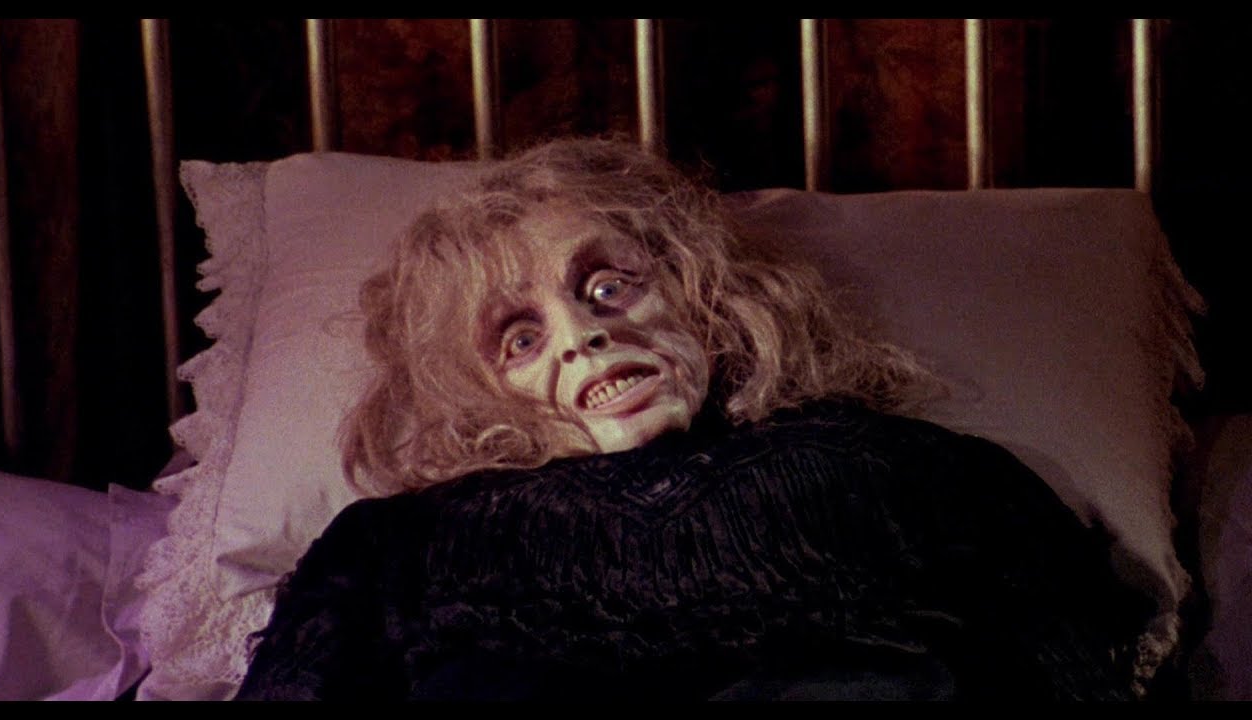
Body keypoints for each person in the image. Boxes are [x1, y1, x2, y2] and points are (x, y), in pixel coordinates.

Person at [234, 137, 1154, 701]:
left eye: (608, 287)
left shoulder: (907, 468)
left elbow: (1071, 668)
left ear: (702, 292)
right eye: (520, 338)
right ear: (473, 390)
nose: (585, 338)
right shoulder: (395, 545)